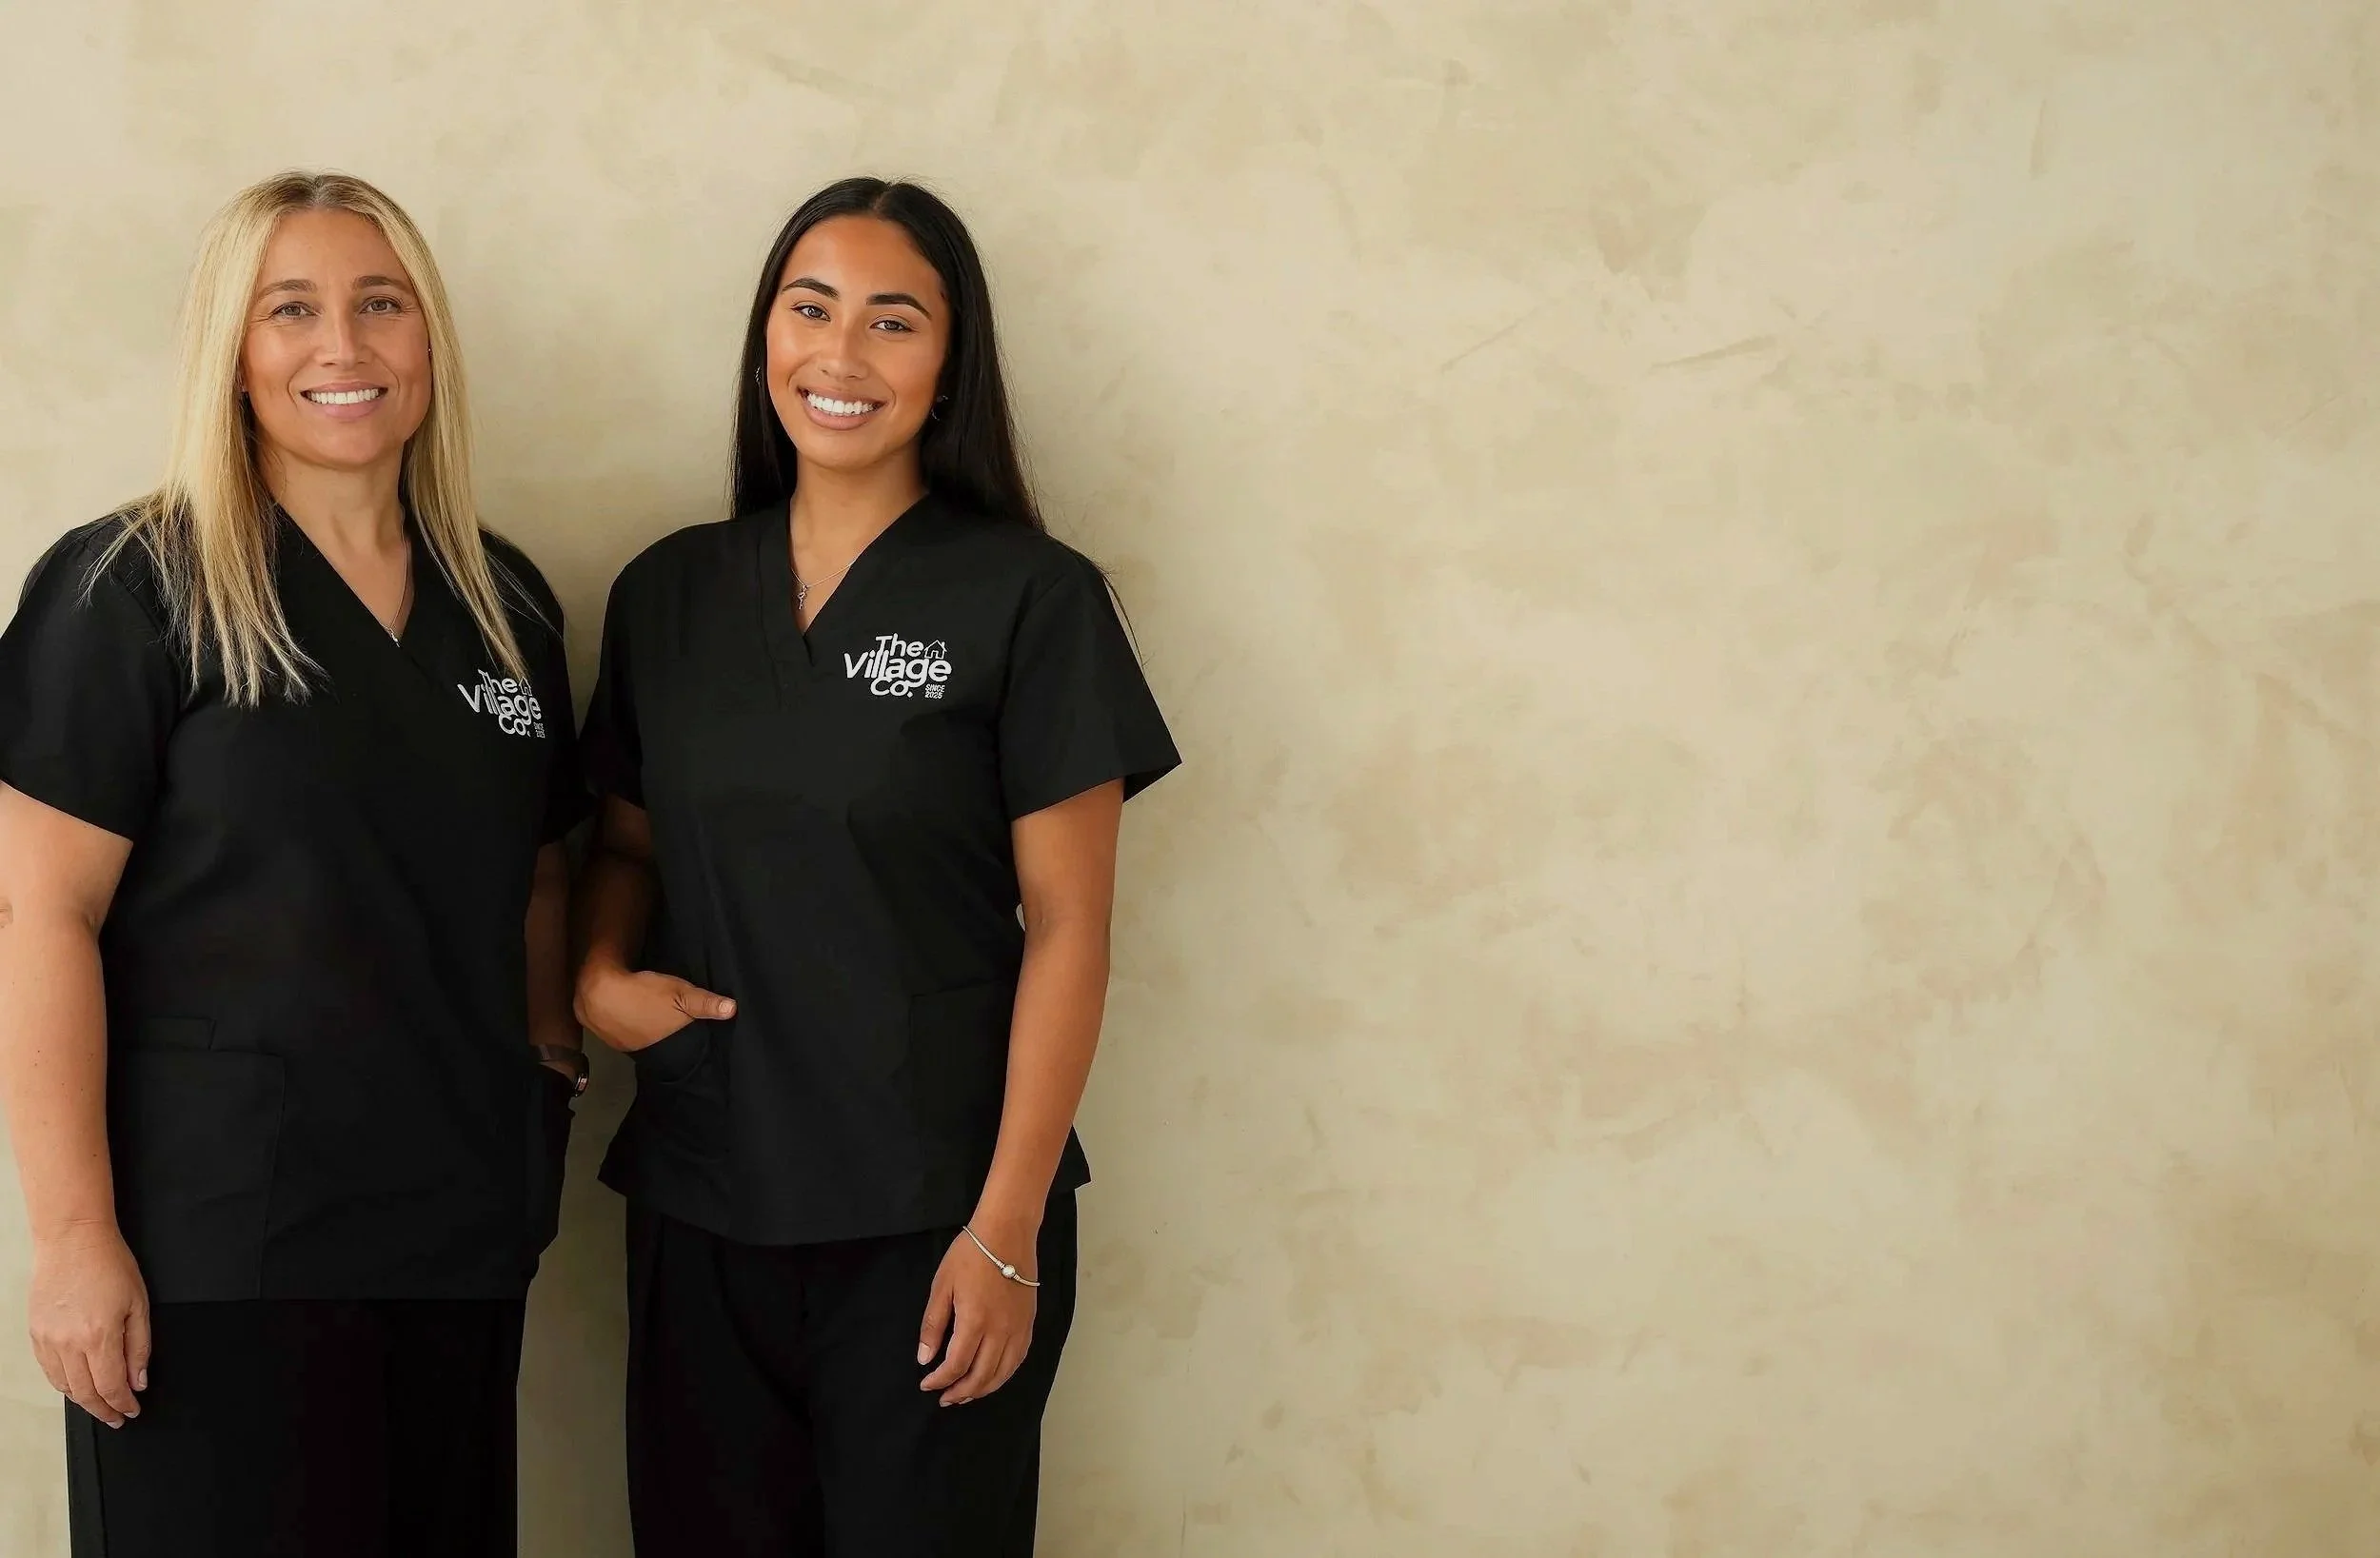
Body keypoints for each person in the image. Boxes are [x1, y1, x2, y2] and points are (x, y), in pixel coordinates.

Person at [574, 176, 1180, 1556]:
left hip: (934, 1224)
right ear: (764, 338)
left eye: (892, 322)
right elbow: (623, 841)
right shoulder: (667, 592)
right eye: (810, 309)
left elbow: (1070, 927)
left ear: (950, 365)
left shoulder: (1033, 598)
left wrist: (1006, 1231)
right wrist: (599, 975)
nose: (839, 357)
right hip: (704, 1197)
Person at [0, 170, 587, 1558]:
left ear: (429, 340)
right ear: (235, 350)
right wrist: (77, 1246)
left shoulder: (504, 607)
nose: (344, 346)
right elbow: (40, 912)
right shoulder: (129, 587)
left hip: (453, 1244)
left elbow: (543, 873)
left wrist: (545, 1076)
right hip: (217, 1250)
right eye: (294, 310)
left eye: (382, 304)